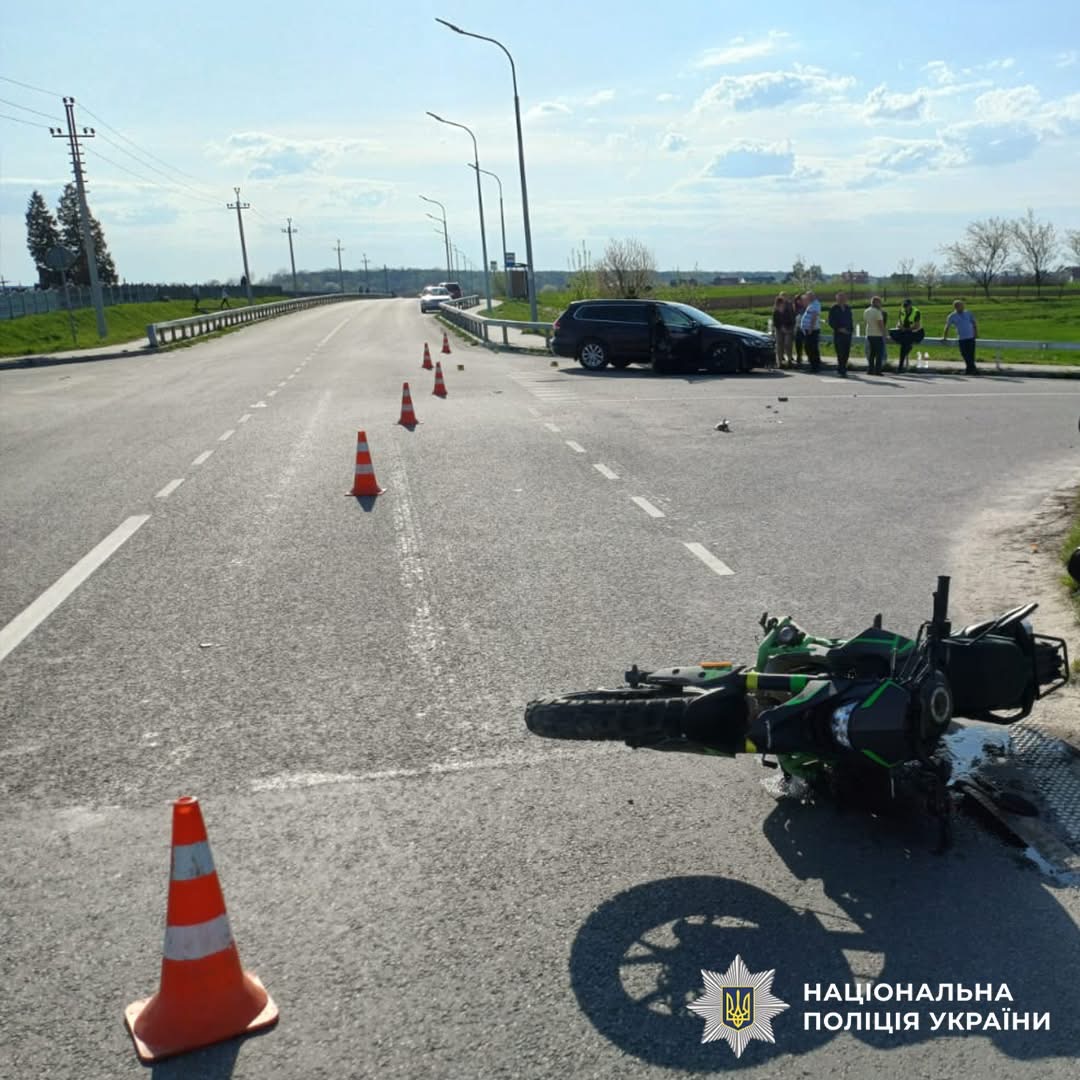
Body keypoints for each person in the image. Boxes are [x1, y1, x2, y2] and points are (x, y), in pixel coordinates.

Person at [942, 299, 979, 374]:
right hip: (962, 338)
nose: (962, 307)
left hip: (970, 337)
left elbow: (974, 323)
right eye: (960, 306)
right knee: (964, 354)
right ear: (955, 307)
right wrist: (945, 337)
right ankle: (972, 370)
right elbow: (947, 326)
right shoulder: (952, 316)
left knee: (971, 355)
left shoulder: (968, 313)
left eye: (962, 305)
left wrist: (975, 333)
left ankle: (970, 370)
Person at [891, 298, 924, 372]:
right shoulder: (901, 310)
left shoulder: (916, 312)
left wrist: (906, 329)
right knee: (892, 333)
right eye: (904, 306)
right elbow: (899, 322)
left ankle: (900, 367)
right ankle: (907, 348)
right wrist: (899, 327)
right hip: (905, 332)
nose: (905, 307)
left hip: (916, 332)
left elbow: (917, 326)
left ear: (910, 305)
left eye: (906, 306)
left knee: (904, 343)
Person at [827, 292, 853, 376]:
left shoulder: (848, 308)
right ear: (837, 299)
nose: (842, 300)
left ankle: (841, 368)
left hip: (848, 334)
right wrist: (839, 329)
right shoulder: (834, 308)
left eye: (843, 298)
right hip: (838, 334)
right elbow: (831, 321)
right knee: (840, 352)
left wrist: (850, 330)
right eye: (840, 298)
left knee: (846, 353)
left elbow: (850, 320)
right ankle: (842, 370)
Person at [863, 295, 887, 375]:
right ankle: (878, 370)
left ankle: (870, 370)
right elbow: (880, 324)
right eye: (880, 302)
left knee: (871, 354)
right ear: (876, 303)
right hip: (877, 335)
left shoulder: (866, 311)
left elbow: (866, 322)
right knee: (879, 354)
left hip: (869, 334)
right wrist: (884, 333)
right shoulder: (878, 312)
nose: (881, 304)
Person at [800, 290, 822, 372]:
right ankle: (813, 365)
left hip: (812, 330)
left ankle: (815, 366)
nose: (807, 298)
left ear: (812, 296)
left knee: (811, 348)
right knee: (809, 348)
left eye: (808, 296)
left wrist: (810, 328)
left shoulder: (816, 304)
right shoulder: (811, 304)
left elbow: (814, 316)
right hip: (808, 330)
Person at [771, 292, 796, 368]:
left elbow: (792, 319)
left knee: (788, 344)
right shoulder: (775, 311)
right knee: (779, 345)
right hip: (779, 329)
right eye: (779, 304)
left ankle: (789, 361)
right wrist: (781, 327)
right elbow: (775, 322)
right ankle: (779, 362)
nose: (781, 305)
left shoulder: (788, 309)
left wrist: (788, 328)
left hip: (788, 328)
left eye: (782, 304)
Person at [793, 293, 806, 365]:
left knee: (806, 343)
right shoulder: (794, 308)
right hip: (797, 327)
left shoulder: (805, 307)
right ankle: (799, 356)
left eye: (800, 300)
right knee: (798, 343)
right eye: (797, 300)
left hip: (805, 327)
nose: (799, 301)